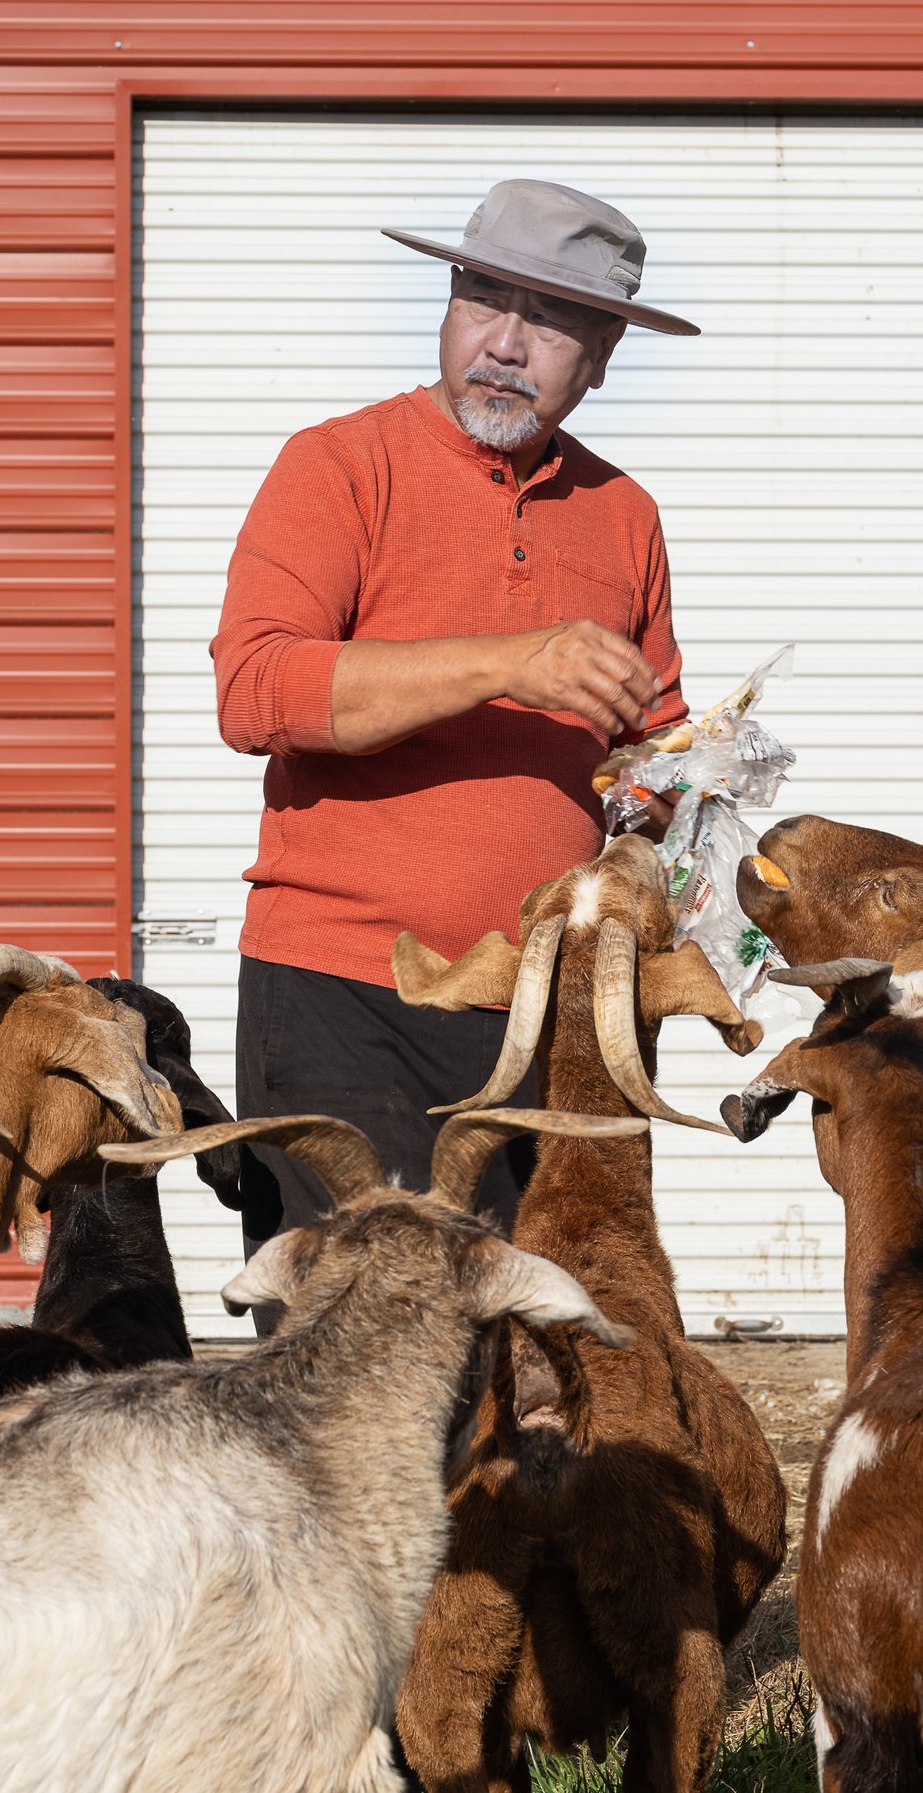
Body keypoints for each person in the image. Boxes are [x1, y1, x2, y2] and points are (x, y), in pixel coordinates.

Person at [211, 179, 699, 1275]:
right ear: (446, 304)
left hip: (545, 1017)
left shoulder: (623, 514)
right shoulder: (338, 466)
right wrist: (511, 661)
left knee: (522, 1367)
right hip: (342, 995)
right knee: (350, 1370)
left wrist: (652, 816)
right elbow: (255, 692)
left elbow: (654, 741)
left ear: (605, 354)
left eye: (553, 321)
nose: (506, 345)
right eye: (484, 299)